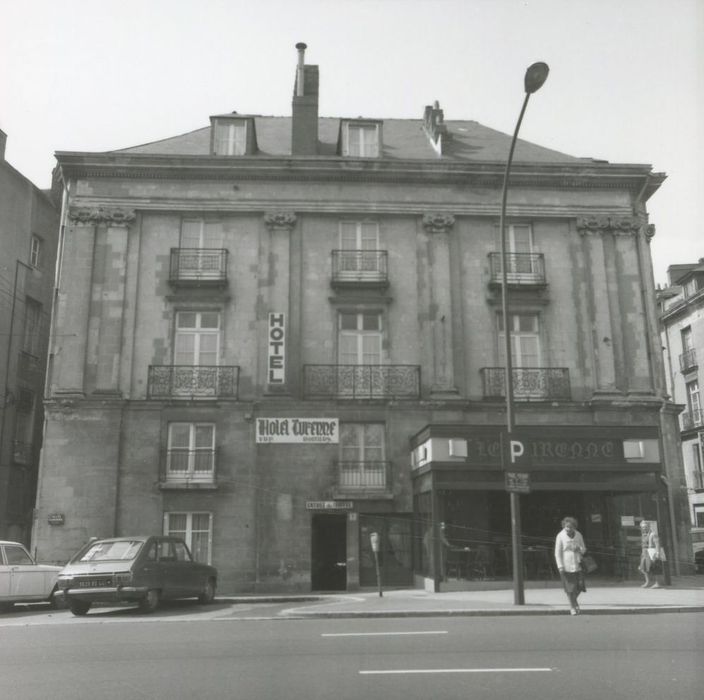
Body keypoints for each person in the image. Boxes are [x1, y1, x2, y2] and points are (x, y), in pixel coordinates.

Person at [554, 516, 586, 615]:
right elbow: (557, 552)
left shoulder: (578, 535)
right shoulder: (560, 536)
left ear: (574, 527)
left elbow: (584, 549)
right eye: (566, 527)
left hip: (578, 564)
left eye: (570, 527)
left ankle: (574, 601)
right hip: (566, 565)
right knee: (570, 588)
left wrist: (580, 549)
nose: (568, 529)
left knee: (580, 586)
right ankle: (572, 607)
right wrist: (560, 566)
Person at [638, 520, 662, 588]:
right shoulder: (643, 534)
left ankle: (657, 583)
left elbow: (657, 543)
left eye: (645, 527)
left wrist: (657, 553)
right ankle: (647, 582)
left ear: (649, 526)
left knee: (655, 567)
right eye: (643, 527)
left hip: (652, 553)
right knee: (643, 568)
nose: (644, 528)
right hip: (645, 554)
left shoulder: (653, 534)